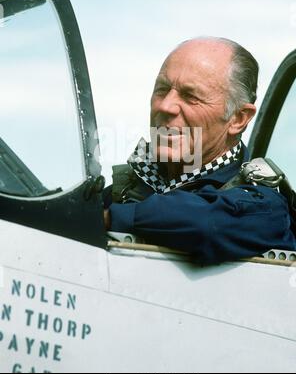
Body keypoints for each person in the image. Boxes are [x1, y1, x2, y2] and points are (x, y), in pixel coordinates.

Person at [103, 36, 296, 264]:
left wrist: (110, 218)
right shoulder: (124, 190)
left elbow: (208, 224)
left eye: (191, 96)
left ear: (238, 118)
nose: (165, 106)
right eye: (162, 90)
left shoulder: (264, 207)